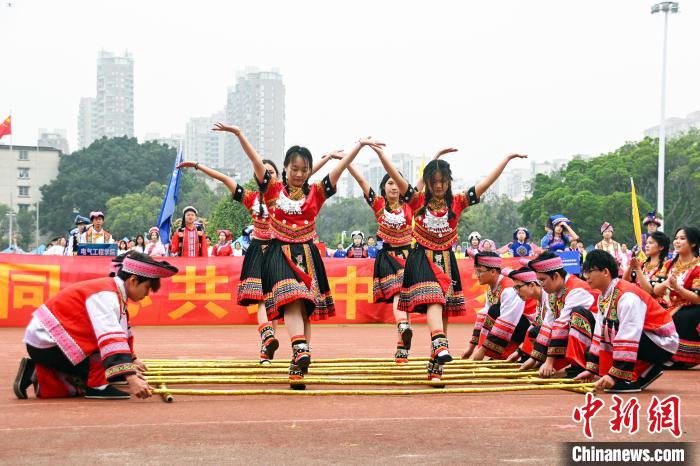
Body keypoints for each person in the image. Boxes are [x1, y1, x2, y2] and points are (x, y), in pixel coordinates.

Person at [212, 122, 376, 387]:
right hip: (279, 253)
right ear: (285, 168)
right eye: (294, 169)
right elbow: (255, 159)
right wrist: (239, 134)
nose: (299, 174)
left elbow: (339, 168)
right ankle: (299, 348)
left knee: (305, 309)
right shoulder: (272, 190)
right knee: (291, 299)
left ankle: (298, 365)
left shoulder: (316, 193)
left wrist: (359, 145)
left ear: (309, 171)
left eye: (304, 170)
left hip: (308, 255)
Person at [400, 151, 527, 382]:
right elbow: (398, 180)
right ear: (427, 182)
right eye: (434, 181)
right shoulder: (418, 200)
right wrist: (378, 152)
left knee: (444, 311)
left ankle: (436, 367)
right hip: (423, 259)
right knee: (435, 300)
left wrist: (506, 159)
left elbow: (486, 183)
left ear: (448, 181)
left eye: (443, 181)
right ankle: (440, 344)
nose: (438, 186)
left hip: (447, 260)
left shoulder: (456, 202)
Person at [14, 252, 178, 399]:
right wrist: (131, 378)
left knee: (113, 370)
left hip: (52, 341)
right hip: (46, 343)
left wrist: (132, 360)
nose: (147, 294)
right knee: (105, 368)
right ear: (133, 281)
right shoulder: (106, 294)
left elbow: (121, 331)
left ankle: (41, 369)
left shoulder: (115, 292)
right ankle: (95, 386)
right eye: (147, 288)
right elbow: (110, 337)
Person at [346, 144, 417, 363]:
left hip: (409, 256)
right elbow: (361, 182)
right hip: (388, 257)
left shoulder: (411, 205)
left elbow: (424, 182)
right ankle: (403, 327)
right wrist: (346, 163)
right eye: (389, 183)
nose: (394, 187)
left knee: (405, 299)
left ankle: (402, 346)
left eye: (397, 183)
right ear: (384, 187)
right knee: (398, 294)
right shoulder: (378, 205)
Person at [574, 250, 678, 393]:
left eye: (590, 271)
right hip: (645, 337)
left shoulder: (627, 296)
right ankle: (636, 370)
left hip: (662, 342)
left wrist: (614, 375)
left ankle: (630, 375)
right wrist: (592, 369)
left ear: (605, 272)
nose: (586, 277)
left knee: (615, 327)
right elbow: (599, 333)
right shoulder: (604, 296)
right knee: (607, 327)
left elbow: (629, 334)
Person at [519, 251, 598, 378]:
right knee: (537, 331)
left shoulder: (577, 289)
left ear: (555, 276)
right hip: (574, 333)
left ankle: (580, 365)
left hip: (598, 339)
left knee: (577, 315)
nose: (541, 285)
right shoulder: (553, 292)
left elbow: (562, 324)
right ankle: (544, 363)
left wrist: (550, 361)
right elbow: (548, 324)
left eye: (543, 280)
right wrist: (535, 358)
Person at [463, 252, 537, 361]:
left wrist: (482, 350)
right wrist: (471, 347)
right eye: (476, 271)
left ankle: (507, 353)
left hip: (529, 327)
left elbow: (508, 321)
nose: (477, 275)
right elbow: (484, 315)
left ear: (493, 271)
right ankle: (496, 352)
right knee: (486, 313)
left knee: (494, 311)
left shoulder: (509, 289)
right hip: (515, 324)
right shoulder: (491, 287)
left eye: (480, 271)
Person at [653, 226, 700, 368]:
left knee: (679, 318)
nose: (677, 242)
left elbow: (697, 298)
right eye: (676, 238)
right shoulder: (668, 265)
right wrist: (667, 283)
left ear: (693, 243)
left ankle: (678, 356)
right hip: (670, 305)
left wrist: (678, 288)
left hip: (692, 307)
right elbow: (656, 290)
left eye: (682, 238)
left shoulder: (698, 266)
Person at [624, 231, 670, 306]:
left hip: (653, 306)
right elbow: (625, 282)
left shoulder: (665, 267)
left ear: (661, 247)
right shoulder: (642, 265)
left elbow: (651, 291)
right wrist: (630, 266)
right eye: (647, 243)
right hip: (636, 303)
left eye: (651, 243)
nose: (647, 246)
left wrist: (638, 269)